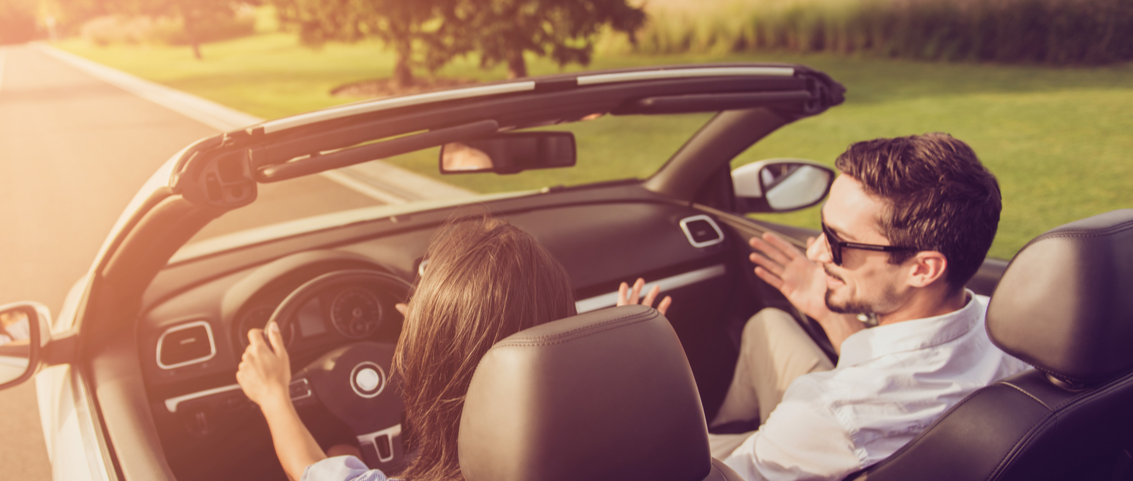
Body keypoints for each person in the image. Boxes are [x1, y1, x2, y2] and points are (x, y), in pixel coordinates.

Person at [667, 132, 1030, 480]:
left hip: (789, 448)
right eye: (822, 229)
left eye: (839, 243)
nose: (814, 252)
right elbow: (898, 371)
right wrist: (826, 312)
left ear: (922, 269)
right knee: (769, 324)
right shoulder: (1011, 332)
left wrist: (635, 369)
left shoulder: (830, 411)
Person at [236, 214, 577, 481]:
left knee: (341, 454)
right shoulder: (600, 443)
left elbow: (310, 472)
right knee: (343, 451)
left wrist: (272, 394)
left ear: (435, 363)